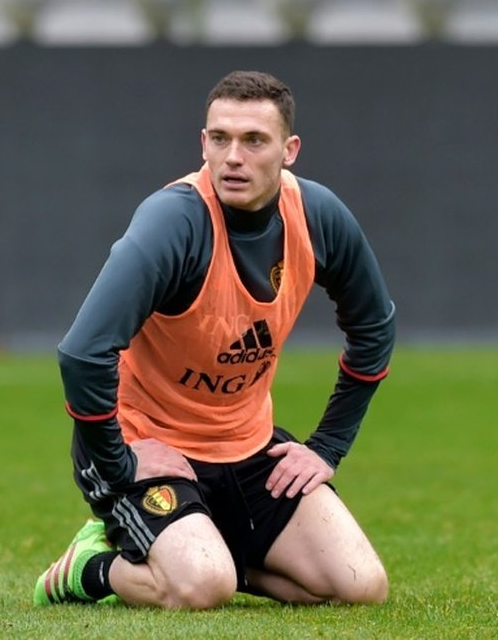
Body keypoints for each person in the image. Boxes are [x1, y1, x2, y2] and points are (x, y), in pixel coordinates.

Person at [33, 70, 396, 609]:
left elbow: (374, 327)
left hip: (248, 447)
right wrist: (120, 463)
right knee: (202, 588)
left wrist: (326, 447)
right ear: (202, 143)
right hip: (150, 447)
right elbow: (83, 353)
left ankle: (211, 552)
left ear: (289, 150)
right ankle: (94, 567)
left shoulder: (317, 215)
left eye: (254, 141)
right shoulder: (174, 223)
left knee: (360, 586)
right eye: (220, 139)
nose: (233, 156)